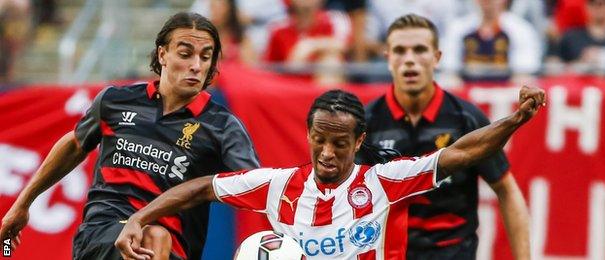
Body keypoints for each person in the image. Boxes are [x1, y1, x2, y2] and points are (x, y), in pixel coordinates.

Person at [114, 85, 545, 259]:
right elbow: (201, 188)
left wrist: (515, 119)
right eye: (319, 139)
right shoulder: (278, 186)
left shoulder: (383, 181)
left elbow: (462, 154)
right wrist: (138, 218)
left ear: (358, 143)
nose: (327, 152)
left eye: (339, 143)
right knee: (260, 248)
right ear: (308, 134)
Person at [0, 12, 259, 260]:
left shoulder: (222, 126)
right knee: (153, 236)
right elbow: (74, 144)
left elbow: (255, 187)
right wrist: (22, 205)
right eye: (185, 54)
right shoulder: (115, 101)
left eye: (205, 57)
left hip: (176, 250)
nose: (196, 66)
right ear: (162, 54)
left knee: (155, 236)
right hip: (101, 235)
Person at [359, 14, 530, 259]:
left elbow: (507, 190)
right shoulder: (367, 123)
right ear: (388, 59)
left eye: (419, 50)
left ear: (437, 57)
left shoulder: (466, 119)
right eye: (400, 51)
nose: (409, 60)